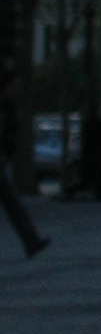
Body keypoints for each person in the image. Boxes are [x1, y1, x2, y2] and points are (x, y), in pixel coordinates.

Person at [0, 68, 50, 258]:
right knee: (13, 204)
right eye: (15, 84)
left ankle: (31, 240)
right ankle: (31, 241)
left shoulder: (10, 106)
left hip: (3, 161)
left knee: (14, 204)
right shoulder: (6, 107)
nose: (18, 88)